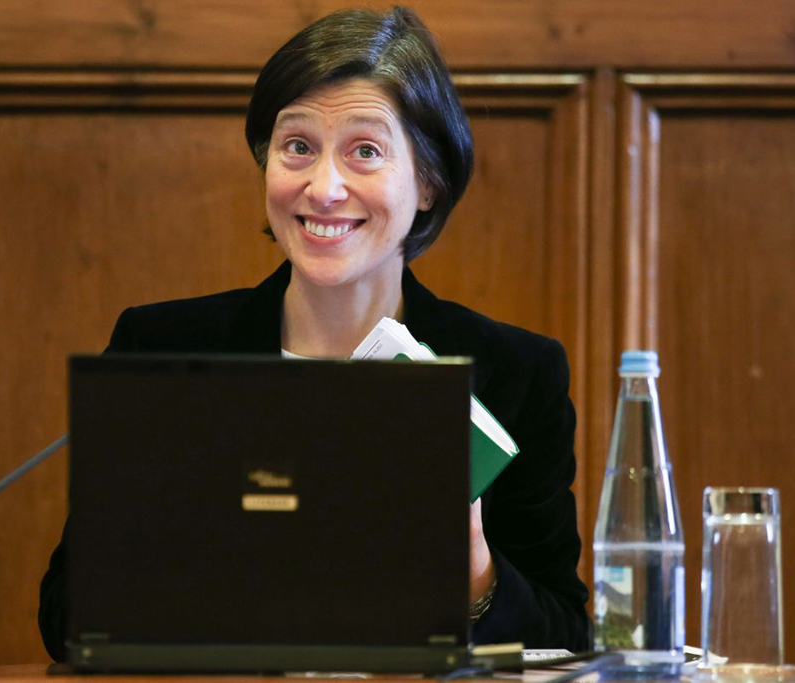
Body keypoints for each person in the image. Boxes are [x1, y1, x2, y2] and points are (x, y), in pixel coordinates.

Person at [39, 6, 589, 659]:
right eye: (297, 146)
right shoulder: (161, 347)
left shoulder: (518, 373)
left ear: (428, 183)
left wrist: (473, 564)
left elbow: (565, 633)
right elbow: (68, 617)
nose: (323, 188)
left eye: (365, 151)